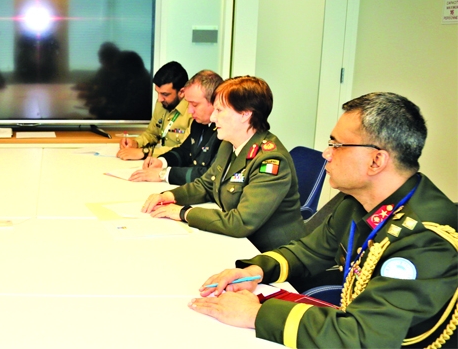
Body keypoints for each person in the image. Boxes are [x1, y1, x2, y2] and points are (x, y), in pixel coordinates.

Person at [190, 92, 458, 348]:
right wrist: (255, 271)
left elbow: (362, 336)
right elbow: (309, 251)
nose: (326, 154)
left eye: (336, 145)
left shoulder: (425, 239)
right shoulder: (357, 201)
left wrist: (257, 314)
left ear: (376, 161)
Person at [141, 76, 305, 252]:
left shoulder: (270, 160)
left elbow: (241, 222)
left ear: (245, 115)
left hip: (273, 257)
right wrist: (169, 197)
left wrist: (184, 213)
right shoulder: (229, 144)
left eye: (219, 110)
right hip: (238, 245)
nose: (212, 117)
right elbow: (206, 185)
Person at [129, 70, 224, 185]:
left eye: (194, 104)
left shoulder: (224, 131)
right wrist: (162, 161)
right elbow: (185, 151)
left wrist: (164, 174)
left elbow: (209, 175)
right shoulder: (200, 123)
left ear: (214, 102)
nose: (189, 110)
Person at [117, 61, 193, 160]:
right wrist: (136, 143)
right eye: (158, 93)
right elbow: (152, 133)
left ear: (182, 92)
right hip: (158, 160)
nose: (160, 99)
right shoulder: (162, 103)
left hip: (177, 164)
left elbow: (184, 151)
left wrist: (145, 152)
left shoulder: (193, 112)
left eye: (165, 94)